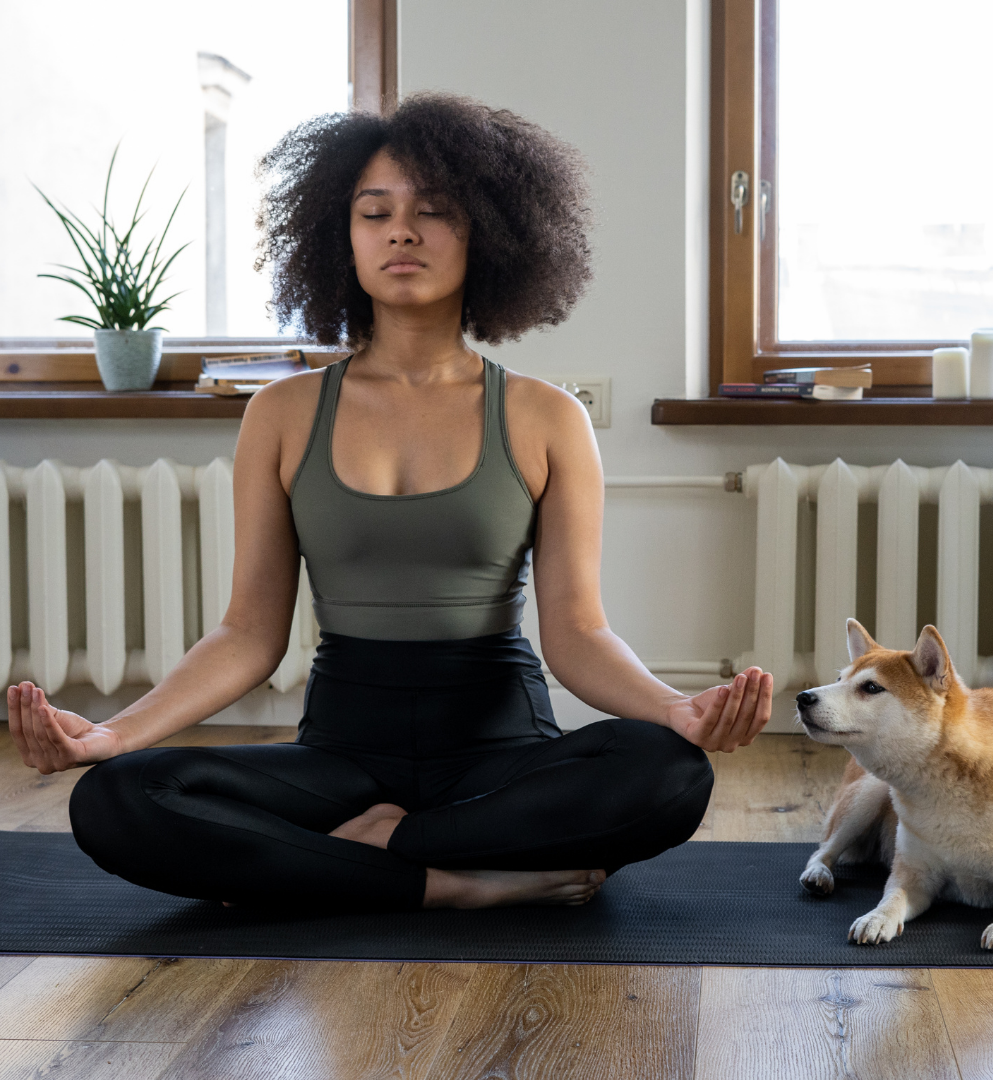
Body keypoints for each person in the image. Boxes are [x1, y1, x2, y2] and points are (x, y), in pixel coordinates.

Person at [7, 94, 773, 912]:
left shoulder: (547, 416)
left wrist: (673, 710)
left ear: (489, 234)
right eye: (375, 213)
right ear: (342, 238)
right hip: (341, 757)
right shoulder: (283, 413)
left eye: (433, 212)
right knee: (117, 799)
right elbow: (247, 633)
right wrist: (115, 733)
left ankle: (362, 858)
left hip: (499, 751)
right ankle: (450, 881)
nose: (401, 232)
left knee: (667, 776)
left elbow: (578, 634)